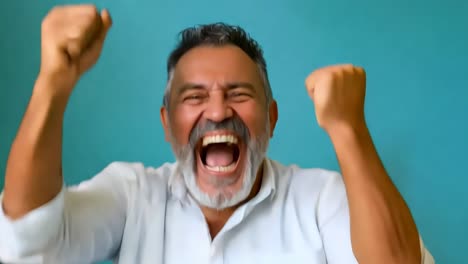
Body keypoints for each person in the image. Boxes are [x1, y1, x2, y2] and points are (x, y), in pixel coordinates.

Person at [0, 4, 434, 264]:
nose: (218, 110)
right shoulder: (133, 195)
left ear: (272, 119)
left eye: (239, 93)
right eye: (194, 97)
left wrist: (349, 129)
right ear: (167, 123)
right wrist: (52, 85)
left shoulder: (321, 199)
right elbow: (27, 238)